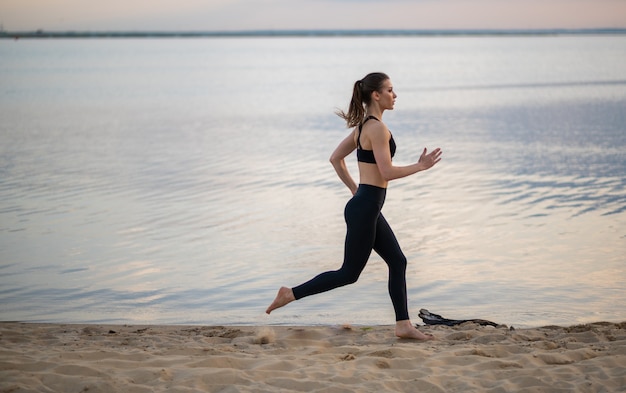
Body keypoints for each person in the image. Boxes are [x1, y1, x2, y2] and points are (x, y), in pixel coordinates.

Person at [266, 72, 442, 340]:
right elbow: (387, 171)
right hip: (365, 207)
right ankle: (290, 293)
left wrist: (354, 189)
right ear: (376, 95)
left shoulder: (362, 128)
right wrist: (420, 166)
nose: (395, 96)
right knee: (349, 273)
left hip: (365, 205)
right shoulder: (378, 129)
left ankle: (403, 325)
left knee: (398, 261)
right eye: (390, 90)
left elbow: (336, 158)